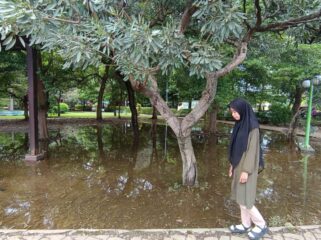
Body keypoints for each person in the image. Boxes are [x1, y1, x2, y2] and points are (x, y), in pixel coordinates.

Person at [227, 98, 268, 240]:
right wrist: (232, 165)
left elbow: (252, 151)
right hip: (238, 165)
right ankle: (245, 224)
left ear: (242, 109)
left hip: (247, 167)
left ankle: (261, 225)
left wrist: (246, 171)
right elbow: (235, 147)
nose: (234, 114)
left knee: (246, 199)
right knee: (240, 197)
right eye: (232, 112)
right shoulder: (239, 124)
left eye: (235, 111)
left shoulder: (253, 126)